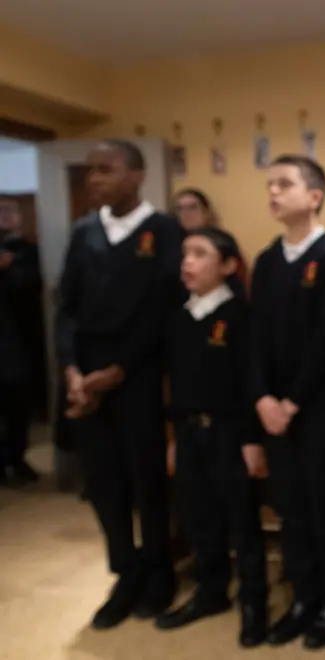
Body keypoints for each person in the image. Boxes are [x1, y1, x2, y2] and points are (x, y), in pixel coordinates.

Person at [55, 139, 182, 629]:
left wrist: (121, 370)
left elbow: (161, 308)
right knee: (104, 483)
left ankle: (157, 570)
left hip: (138, 373)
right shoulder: (84, 230)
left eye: (106, 170)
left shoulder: (162, 230)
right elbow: (65, 306)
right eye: (91, 171)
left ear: (136, 175)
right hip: (86, 377)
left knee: (145, 479)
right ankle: (124, 572)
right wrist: (71, 369)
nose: (94, 179)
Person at [248, 154, 325, 650]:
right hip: (274, 413)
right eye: (270, 185)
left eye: (285, 184)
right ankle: (302, 597)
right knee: (290, 510)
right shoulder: (268, 261)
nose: (273, 192)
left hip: (318, 408)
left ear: (314, 197)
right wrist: (264, 398)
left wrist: (291, 401)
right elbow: (255, 340)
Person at [154, 227, 268, 648]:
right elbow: (175, 384)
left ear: (227, 265)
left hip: (230, 433)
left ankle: (254, 601)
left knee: (241, 521)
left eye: (200, 254)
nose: (187, 262)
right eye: (185, 253)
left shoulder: (241, 315)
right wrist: (172, 436)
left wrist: (252, 440)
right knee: (199, 519)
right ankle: (211, 591)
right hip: (188, 433)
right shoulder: (179, 317)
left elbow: (249, 382)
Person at [0, 195, 43, 485]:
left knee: (18, 406)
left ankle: (17, 457)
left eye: (9, 211)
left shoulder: (29, 251)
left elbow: (32, 286)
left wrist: (9, 267)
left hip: (20, 341)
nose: (5, 216)